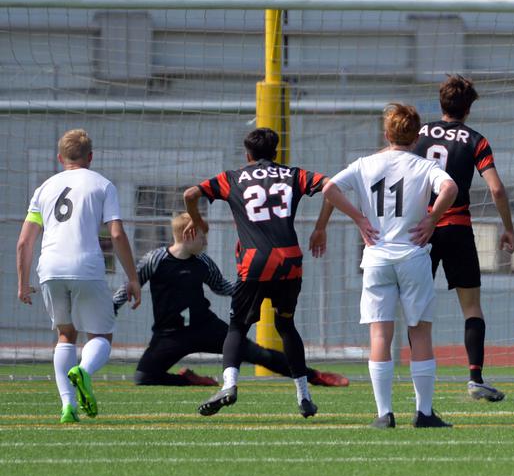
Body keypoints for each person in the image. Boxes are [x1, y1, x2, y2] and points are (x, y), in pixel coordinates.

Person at [322, 103, 458, 429]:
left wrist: (358, 218)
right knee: (420, 331)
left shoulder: (366, 164)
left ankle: (384, 413)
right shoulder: (424, 166)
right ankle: (424, 413)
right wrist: (432, 218)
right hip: (412, 256)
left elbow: (329, 188)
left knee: (380, 333)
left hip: (377, 257)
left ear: (386, 134)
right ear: (417, 136)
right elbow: (450, 188)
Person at [183, 128, 334, 418]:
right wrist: (320, 227)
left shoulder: (232, 178)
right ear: (276, 153)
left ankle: (229, 384)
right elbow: (330, 186)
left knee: (238, 327)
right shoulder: (293, 174)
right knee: (286, 326)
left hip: (254, 263)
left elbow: (190, 194)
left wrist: (197, 219)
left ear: (247, 154)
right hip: (289, 260)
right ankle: (304, 396)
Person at [113, 213, 350, 388]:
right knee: (144, 377)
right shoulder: (155, 259)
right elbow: (131, 285)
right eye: (203, 237)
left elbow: (223, 287)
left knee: (257, 354)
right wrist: (111, 308)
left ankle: (314, 376)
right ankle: (189, 379)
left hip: (205, 327)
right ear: (190, 234)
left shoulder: (203, 262)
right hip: (169, 334)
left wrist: (256, 287)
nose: (205, 242)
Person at [16, 129, 141, 423]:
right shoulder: (102, 185)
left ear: (60, 158)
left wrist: (23, 283)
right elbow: (117, 233)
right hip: (86, 266)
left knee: (65, 335)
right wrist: (132, 277)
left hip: (50, 268)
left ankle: (68, 406)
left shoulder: (44, 188)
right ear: (91, 157)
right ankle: (84, 372)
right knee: (100, 335)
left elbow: (24, 241)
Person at [412, 75, 514, 402]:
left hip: (421, 230)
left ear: (441, 102)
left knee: (416, 308)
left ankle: (418, 382)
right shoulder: (475, 140)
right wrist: (508, 228)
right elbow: (497, 188)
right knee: (471, 308)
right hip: (456, 227)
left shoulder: (418, 135)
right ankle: (475, 377)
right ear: (469, 107)